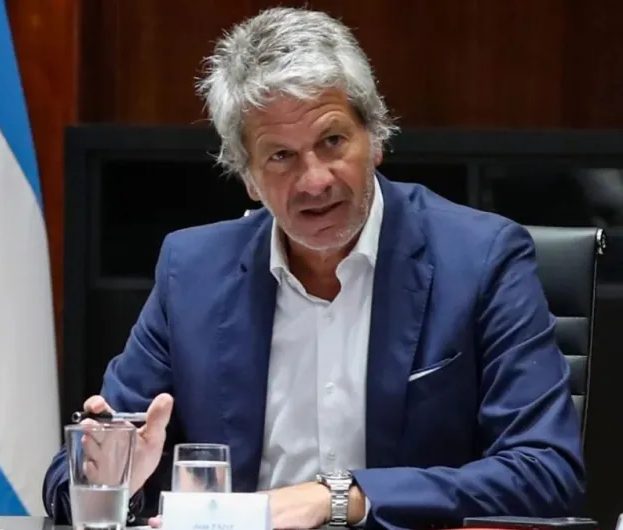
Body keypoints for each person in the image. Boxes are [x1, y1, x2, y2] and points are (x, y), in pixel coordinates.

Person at [43, 7, 585, 530]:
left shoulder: (481, 258)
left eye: (332, 141)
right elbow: (67, 481)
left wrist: (339, 498)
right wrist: (115, 476)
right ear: (248, 177)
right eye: (280, 156)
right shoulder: (192, 272)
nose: (315, 181)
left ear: (375, 139)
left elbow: (545, 468)